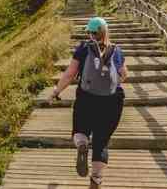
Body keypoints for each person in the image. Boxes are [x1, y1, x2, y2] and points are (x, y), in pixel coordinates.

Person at [51, 16, 127, 188]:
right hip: (112, 102)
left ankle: (82, 145)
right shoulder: (117, 50)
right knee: (101, 142)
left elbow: (70, 74)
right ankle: (96, 179)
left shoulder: (83, 48)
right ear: (106, 32)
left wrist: (56, 91)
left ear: (90, 33)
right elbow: (123, 75)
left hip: (87, 98)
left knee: (80, 131)